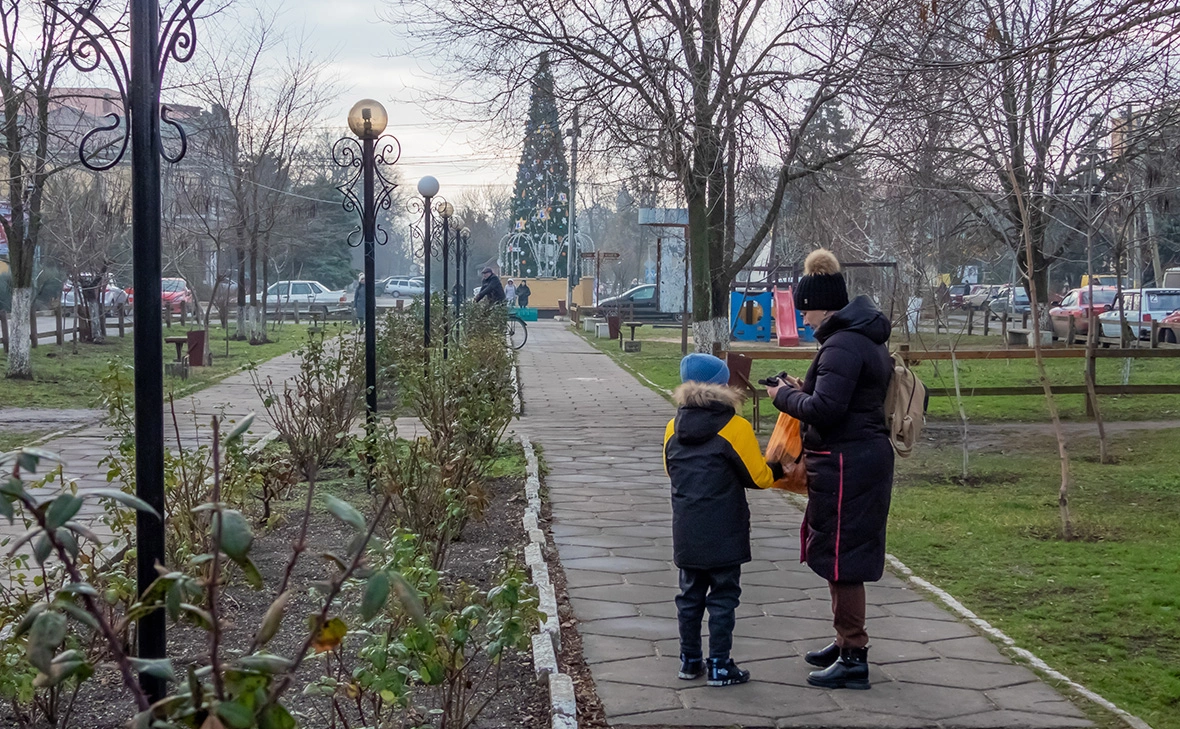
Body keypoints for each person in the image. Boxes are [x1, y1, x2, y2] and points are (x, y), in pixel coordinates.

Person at [765, 248, 893, 690]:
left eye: (806, 310)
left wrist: (783, 397)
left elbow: (827, 409)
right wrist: (802, 386)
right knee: (842, 554)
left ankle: (854, 655)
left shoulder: (841, 343)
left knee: (843, 558)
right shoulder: (861, 337)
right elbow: (844, 396)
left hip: (847, 463)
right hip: (857, 459)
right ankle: (844, 641)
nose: (802, 319)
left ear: (824, 306)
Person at [664, 353, 780, 687]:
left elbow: (670, 469)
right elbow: (757, 477)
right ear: (721, 384)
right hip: (724, 528)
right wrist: (779, 469)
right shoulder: (735, 427)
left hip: (687, 527)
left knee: (689, 596)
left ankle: (689, 661)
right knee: (723, 597)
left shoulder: (673, 427)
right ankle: (719, 664)